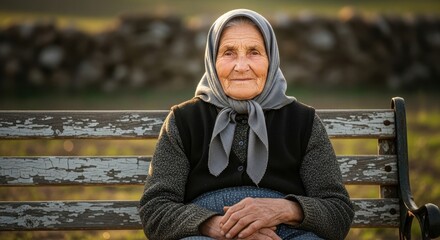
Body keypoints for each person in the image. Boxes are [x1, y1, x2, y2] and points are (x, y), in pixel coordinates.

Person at [139, 9, 354, 240]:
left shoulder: (303, 122)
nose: (241, 66)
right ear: (212, 59)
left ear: (271, 58)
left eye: (254, 52)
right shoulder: (184, 120)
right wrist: (216, 226)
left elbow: (338, 213)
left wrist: (284, 209)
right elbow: (155, 210)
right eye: (229, 53)